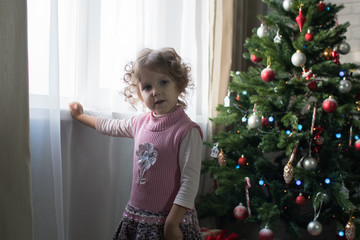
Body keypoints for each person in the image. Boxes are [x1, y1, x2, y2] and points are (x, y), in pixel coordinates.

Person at [69, 47, 203, 240]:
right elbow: (110, 126)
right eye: (147, 87)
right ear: (140, 95)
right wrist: (80, 116)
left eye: (163, 82)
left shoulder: (187, 131)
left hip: (171, 223)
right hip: (137, 220)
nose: (156, 91)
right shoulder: (140, 123)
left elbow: (189, 183)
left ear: (179, 85)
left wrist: (172, 223)